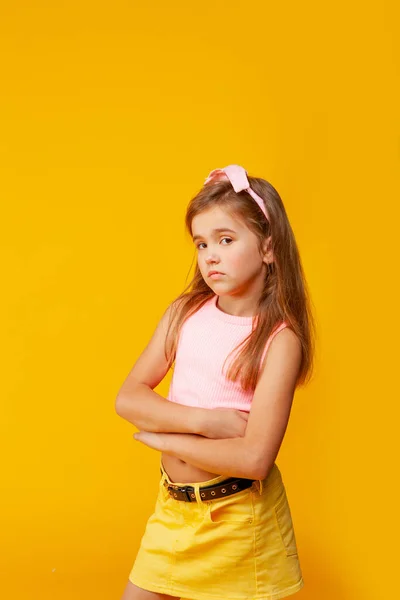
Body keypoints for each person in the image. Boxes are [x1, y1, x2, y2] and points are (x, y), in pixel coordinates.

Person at [115, 164, 316, 600]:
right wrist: (208, 422)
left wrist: (164, 439)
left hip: (240, 519)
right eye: (201, 243)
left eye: (226, 240)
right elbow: (129, 398)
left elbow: (253, 460)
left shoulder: (280, 340)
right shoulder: (183, 314)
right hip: (175, 510)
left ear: (267, 247)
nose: (210, 255)